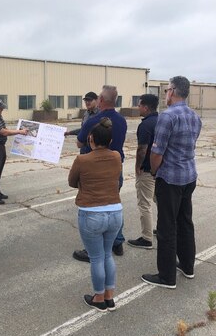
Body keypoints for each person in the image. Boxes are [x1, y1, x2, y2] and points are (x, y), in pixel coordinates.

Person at [142, 76, 202, 289]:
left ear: (173, 91)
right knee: (185, 221)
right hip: (189, 176)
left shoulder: (167, 117)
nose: (165, 94)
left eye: (167, 89)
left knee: (167, 227)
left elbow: (157, 153)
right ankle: (187, 266)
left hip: (170, 179)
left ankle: (166, 276)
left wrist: (154, 171)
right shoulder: (195, 116)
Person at [68, 118, 123, 312]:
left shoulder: (82, 159)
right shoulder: (116, 156)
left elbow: (72, 182)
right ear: (109, 141)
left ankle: (98, 297)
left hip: (92, 213)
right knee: (108, 255)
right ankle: (109, 296)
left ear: (90, 139)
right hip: (115, 211)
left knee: (96, 258)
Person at [73, 85, 127, 261]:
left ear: (101, 100)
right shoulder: (122, 120)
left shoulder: (93, 121)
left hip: (94, 170)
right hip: (115, 168)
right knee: (113, 203)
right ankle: (117, 242)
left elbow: (80, 144)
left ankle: (93, 249)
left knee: (95, 207)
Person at [128, 94, 159, 249]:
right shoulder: (161, 121)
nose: (138, 107)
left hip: (147, 170)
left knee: (144, 203)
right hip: (160, 169)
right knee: (159, 201)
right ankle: (160, 229)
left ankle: (146, 238)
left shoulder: (146, 125)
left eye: (139, 105)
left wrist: (137, 166)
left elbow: (142, 149)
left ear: (146, 107)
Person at [0, 97, 27, 204]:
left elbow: (5, 129)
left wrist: (17, 131)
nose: (2, 109)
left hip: (0, 146)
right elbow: (3, 132)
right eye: (0, 108)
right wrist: (19, 132)